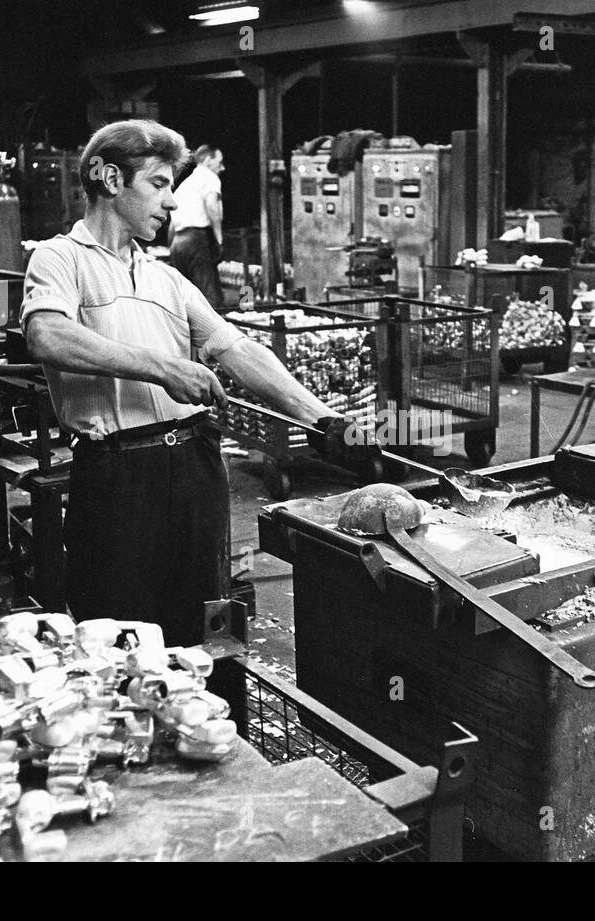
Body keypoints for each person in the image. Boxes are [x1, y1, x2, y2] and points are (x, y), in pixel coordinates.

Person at [21, 120, 370, 646]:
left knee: (204, 620)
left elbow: (236, 349)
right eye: (159, 184)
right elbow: (47, 335)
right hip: (117, 474)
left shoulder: (164, 276)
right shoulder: (60, 258)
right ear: (112, 179)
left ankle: (204, 719)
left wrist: (322, 418)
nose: (172, 202)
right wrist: (165, 368)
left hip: (193, 468)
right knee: (118, 628)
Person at [169, 144, 225, 308]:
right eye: (219, 162)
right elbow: (212, 206)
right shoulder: (209, 177)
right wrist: (219, 240)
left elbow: (172, 225)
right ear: (208, 160)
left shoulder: (185, 185)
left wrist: (172, 247)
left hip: (177, 242)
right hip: (196, 240)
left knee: (186, 300)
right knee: (209, 299)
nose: (222, 167)